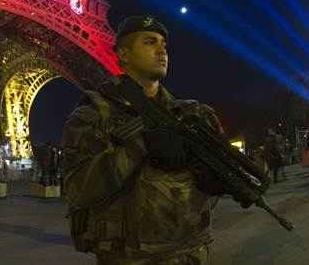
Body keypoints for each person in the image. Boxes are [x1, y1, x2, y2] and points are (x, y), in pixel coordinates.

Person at [61, 15, 223, 264]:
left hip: (191, 252)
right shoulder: (94, 114)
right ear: (124, 54)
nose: (162, 51)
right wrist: (140, 145)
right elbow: (76, 190)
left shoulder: (193, 114)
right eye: (150, 42)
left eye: (164, 45)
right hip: (129, 257)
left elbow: (218, 183)